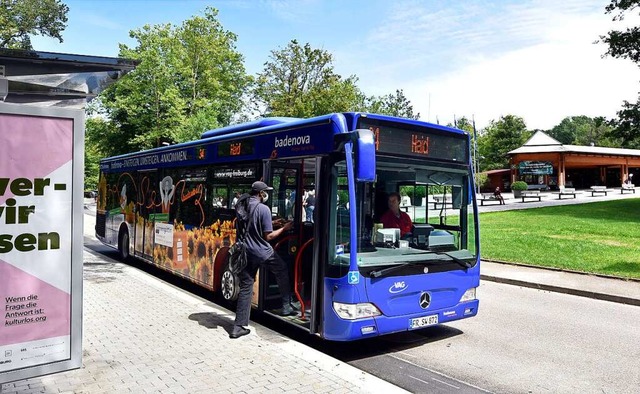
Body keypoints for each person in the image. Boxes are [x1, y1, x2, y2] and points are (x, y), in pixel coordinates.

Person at [230, 181, 297, 339]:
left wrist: (272, 223)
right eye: (265, 192)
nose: (267, 194)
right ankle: (286, 305)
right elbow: (269, 236)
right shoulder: (263, 208)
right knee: (281, 269)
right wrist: (285, 228)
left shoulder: (243, 205)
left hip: (244, 252)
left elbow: (250, 224)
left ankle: (238, 327)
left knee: (246, 288)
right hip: (261, 252)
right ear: (260, 194)